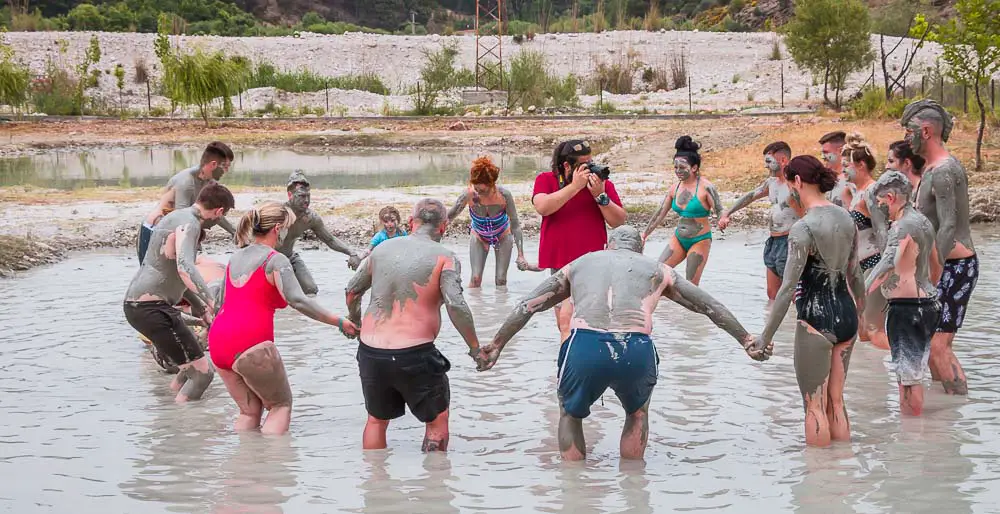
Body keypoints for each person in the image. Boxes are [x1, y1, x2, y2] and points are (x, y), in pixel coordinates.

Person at [480, 226, 767, 461]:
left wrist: (497, 343)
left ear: (608, 245)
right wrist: (745, 339)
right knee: (637, 414)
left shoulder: (580, 263)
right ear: (639, 248)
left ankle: (575, 490)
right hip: (635, 348)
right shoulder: (657, 269)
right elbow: (708, 305)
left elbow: (529, 305)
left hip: (586, 346)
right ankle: (633, 485)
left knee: (569, 414)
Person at [345, 198, 488, 452]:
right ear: (443, 227)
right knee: (437, 420)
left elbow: (352, 292)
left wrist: (355, 323)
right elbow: (456, 305)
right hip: (415, 353)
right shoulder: (446, 258)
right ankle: (432, 487)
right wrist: (475, 349)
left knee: (376, 420)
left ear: (411, 223)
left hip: (371, 351)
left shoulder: (381, 251)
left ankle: (374, 484)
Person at [208, 202, 359, 435]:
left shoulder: (236, 258)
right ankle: (274, 467)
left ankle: (241, 466)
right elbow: (298, 300)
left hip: (218, 342)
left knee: (249, 412)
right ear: (277, 229)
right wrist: (339, 321)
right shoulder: (276, 260)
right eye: (288, 227)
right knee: (280, 406)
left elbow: (219, 304)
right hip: (250, 342)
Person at [756, 156, 865, 448]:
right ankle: (843, 471)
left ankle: (818, 481)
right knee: (837, 401)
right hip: (847, 315)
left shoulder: (802, 228)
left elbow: (787, 289)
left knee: (814, 406)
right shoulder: (846, 218)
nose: (790, 190)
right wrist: (862, 317)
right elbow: (856, 275)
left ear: (798, 182)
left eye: (790, 184)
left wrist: (764, 338)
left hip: (815, 320)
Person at [123, 183, 236, 403]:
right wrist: (213, 303)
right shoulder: (191, 224)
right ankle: (184, 429)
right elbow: (185, 268)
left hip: (145, 306)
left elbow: (175, 271)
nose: (218, 223)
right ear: (219, 211)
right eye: (223, 217)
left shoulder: (178, 216)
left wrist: (202, 309)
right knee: (203, 374)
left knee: (188, 370)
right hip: (151, 309)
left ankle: (170, 413)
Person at [901, 99, 977, 395]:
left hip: (954, 266)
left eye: (910, 132)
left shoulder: (946, 169)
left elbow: (947, 226)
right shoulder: (932, 168)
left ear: (927, 130)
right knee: (929, 342)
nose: (907, 139)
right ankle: (946, 413)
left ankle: (959, 405)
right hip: (940, 265)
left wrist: (933, 273)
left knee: (937, 346)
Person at [532, 140, 626, 341]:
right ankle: (569, 366)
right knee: (563, 324)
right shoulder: (546, 180)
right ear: (567, 166)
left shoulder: (600, 184)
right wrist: (574, 187)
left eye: (591, 162)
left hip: (593, 263)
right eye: (585, 164)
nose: (590, 168)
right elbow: (542, 207)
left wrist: (600, 196)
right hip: (560, 263)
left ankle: (570, 368)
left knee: (572, 320)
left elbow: (618, 221)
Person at [865, 172, 940, 416]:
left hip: (907, 309)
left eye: (880, 203)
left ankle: (910, 440)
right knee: (914, 372)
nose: (879, 208)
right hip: (927, 303)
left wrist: (859, 294)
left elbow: (887, 264)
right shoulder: (923, 221)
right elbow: (936, 263)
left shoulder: (902, 226)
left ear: (891, 197)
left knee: (908, 381)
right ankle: (916, 436)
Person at [718, 141, 800, 300]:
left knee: (792, 293)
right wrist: (728, 212)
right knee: (772, 294)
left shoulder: (795, 184)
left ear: (783, 160)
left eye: (769, 162)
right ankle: (779, 324)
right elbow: (750, 196)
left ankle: (800, 322)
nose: (766, 166)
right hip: (773, 241)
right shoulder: (771, 183)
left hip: (789, 240)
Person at [641, 136, 723, 285]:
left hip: (700, 240)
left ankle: (690, 309)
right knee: (658, 274)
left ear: (694, 168)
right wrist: (645, 234)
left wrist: (722, 220)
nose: (678, 171)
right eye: (675, 168)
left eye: (682, 168)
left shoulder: (706, 187)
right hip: (679, 238)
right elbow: (660, 213)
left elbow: (719, 210)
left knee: (691, 284)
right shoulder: (675, 188)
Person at [138, 142, 236, 264]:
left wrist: (235, 232)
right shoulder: (186, 182)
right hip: (155, 230)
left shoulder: (210, 182)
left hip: (174, 233)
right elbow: (181, 219)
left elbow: (215, 212)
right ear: (213, 164)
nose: (226, 171)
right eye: (225, 167)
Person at [446, 156, 530, 288]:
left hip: (502, 235)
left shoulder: (504, 196)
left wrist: (521, 255)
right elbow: (449, 218)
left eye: (482, 191)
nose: (478, 193)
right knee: (475, 278)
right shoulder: (468, 195)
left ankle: (501, 307)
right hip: (479, 236)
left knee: (501, 280)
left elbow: (515, 225)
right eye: (476, 188)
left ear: (492, 184)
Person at [278, 171, 363, 295]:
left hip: (290, 257)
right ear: (290, 195)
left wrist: (352, 253)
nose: (306, 200)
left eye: (308, 196)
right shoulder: (277, 214)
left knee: (311, 291)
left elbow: (330, 240)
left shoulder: (310, 218)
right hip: (269, 259)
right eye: (301, 196)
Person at [841, 133, 889, 350]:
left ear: (860, 165)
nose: (842, 170)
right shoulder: (857, 192)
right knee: (862, 330)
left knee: (873, 329)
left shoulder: (872, 192)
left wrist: (886, 270)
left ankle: (910, 360)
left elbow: (883, 232)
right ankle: (871, 379)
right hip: (859, 268)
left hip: (874, 265)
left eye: (846, 165)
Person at [819, 131, 852, 208]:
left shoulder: (851, 181)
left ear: (841, 151)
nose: (822, 157)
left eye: (826, 152)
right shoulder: (826, 179)